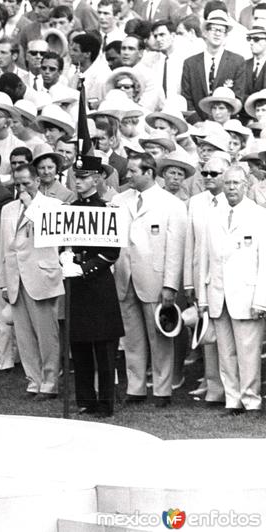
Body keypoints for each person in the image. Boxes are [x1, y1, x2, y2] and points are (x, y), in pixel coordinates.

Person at [112, 151, 187, 407]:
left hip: (155, 278)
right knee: (132, 335)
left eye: (133, 171)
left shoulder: (172, 204)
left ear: (149, 173)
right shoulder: (119, 200)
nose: (127, 175)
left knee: (160, 336)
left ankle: (162, 390)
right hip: (125, 276)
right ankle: (135, 388)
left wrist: (170, 285)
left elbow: (176, 249)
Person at [198, 165, 266, 415]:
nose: (231, 188)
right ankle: (232, 399)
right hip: (218, 294)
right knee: (225, 353)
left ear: (246, 185)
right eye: (227, 183)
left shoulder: (259, 215)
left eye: (236, 183)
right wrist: (203, 298)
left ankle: (251, 400)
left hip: (247, 295)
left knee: (248, 353)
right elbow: (203, 259)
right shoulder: (212, 215)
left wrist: (262, 300)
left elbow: (264, 261)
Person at [61, 154, 125, 418]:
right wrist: (63, 256)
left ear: (98, 179)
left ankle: (106, 402)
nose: (79, 181)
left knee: (103, 348)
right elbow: (61, 239)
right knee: (80, 345)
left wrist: (85, 268)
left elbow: (111, 252)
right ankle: (85, 399)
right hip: (76, 287)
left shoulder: (106, 210)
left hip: (98, 285)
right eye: (77, 176)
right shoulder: (69, 209)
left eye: (85, 176)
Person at [0, 163, 65, 399]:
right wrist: (5, 282)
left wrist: (30, 206)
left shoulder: (53, 206)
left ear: (38, 181)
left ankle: (49, 382)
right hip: (16, 277)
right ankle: (33, 381)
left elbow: (53, 236)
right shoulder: (7, 209)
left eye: (26, 183)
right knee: (24, 335)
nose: (21, 188)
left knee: (47, 334)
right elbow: (4, 248)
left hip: (42, 275)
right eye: (17, 184)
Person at [183, 156, 227, 405]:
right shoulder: (196, 203)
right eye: (205, 173)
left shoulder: (234, 202)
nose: (208, 177)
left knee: (227, 336)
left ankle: (232, 386)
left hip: (225, 278)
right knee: (207, 335)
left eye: (214, 173)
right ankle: (213, 386)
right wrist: (189, 282)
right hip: (201, 278)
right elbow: (190, 244)